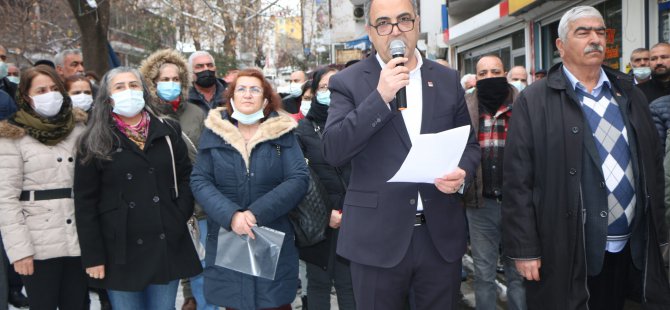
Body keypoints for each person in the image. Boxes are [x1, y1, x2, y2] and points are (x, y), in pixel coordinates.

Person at [502, 6, 670, 310]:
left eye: (600, 32)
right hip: (568, 251)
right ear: (561, 46)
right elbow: (517, 181)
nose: (595, 39)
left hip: (632, 249)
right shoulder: (535, 100)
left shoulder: (629, 94)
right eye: (583, 32)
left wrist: (661, 236)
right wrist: (525, 249)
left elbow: (653, 168)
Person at [321, 0, 481, 308]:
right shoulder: (348, 82)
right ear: (370, 32)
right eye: (383, 23)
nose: (395, 31)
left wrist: (462, 174)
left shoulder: (448, 80)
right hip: (375, 240)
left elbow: (470, 146)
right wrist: (380, 97)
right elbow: (333, 149)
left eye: (404, 20)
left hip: (438, 239)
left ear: (418, 24)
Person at [74, 67, 202, 309]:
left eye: (133, 85)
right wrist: (93, 256)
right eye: (119, 87)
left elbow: (186, 176)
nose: (128, 91)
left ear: (143, 90)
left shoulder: (168, 130)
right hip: (119, 249)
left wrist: (179, 212)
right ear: (107, 97)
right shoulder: (94, 140)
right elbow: (85, 203)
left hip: (165, 240)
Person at [190, 68, 309, 310]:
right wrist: (232, 215)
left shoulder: (283, 133)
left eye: (255, 89)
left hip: (271, 232)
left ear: (265, 99)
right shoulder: (214, 133)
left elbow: (298, 178)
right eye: (241, 89)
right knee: (235, 301)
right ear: (231, 97)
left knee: (272, 301)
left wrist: (255, 214)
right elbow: (200, 180)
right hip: (228, 234)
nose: (247, 94)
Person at [0, 65, 88, 310]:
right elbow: (5, 199)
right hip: (38, 244)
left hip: (78, 237)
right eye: (41, 90)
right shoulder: (12, 136)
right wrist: (20, 252)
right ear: (27, 97)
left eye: (54, 89)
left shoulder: (79, 129)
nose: (49, 94)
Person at [138, 48, 212, 310]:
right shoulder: (142, 116)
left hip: (199, 207)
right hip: (162, 206)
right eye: (163, 79)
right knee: (165, 273)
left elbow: (208, 156)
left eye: (175, 79)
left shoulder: (196, 112)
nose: (170, 84)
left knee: (204, 270)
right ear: (151, 82)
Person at [464, 55, 526, 310]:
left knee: (518, 274)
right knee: (483, 274)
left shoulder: (524, 104)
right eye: (483, 73)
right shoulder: (465, 106)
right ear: (476, 78)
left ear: (505, 73)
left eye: (495, 71)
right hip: (481, 205)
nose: (490, 77)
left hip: (519, 205)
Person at [296, 67, 356, 310]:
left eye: (336, 85)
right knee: (318, 282)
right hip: (318, 219)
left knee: (348, 283)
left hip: (354, 214)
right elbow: (301, 177)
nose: (329, 92)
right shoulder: (302, 130)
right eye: (323, 86)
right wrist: (326, 213)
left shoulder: (359, 121)